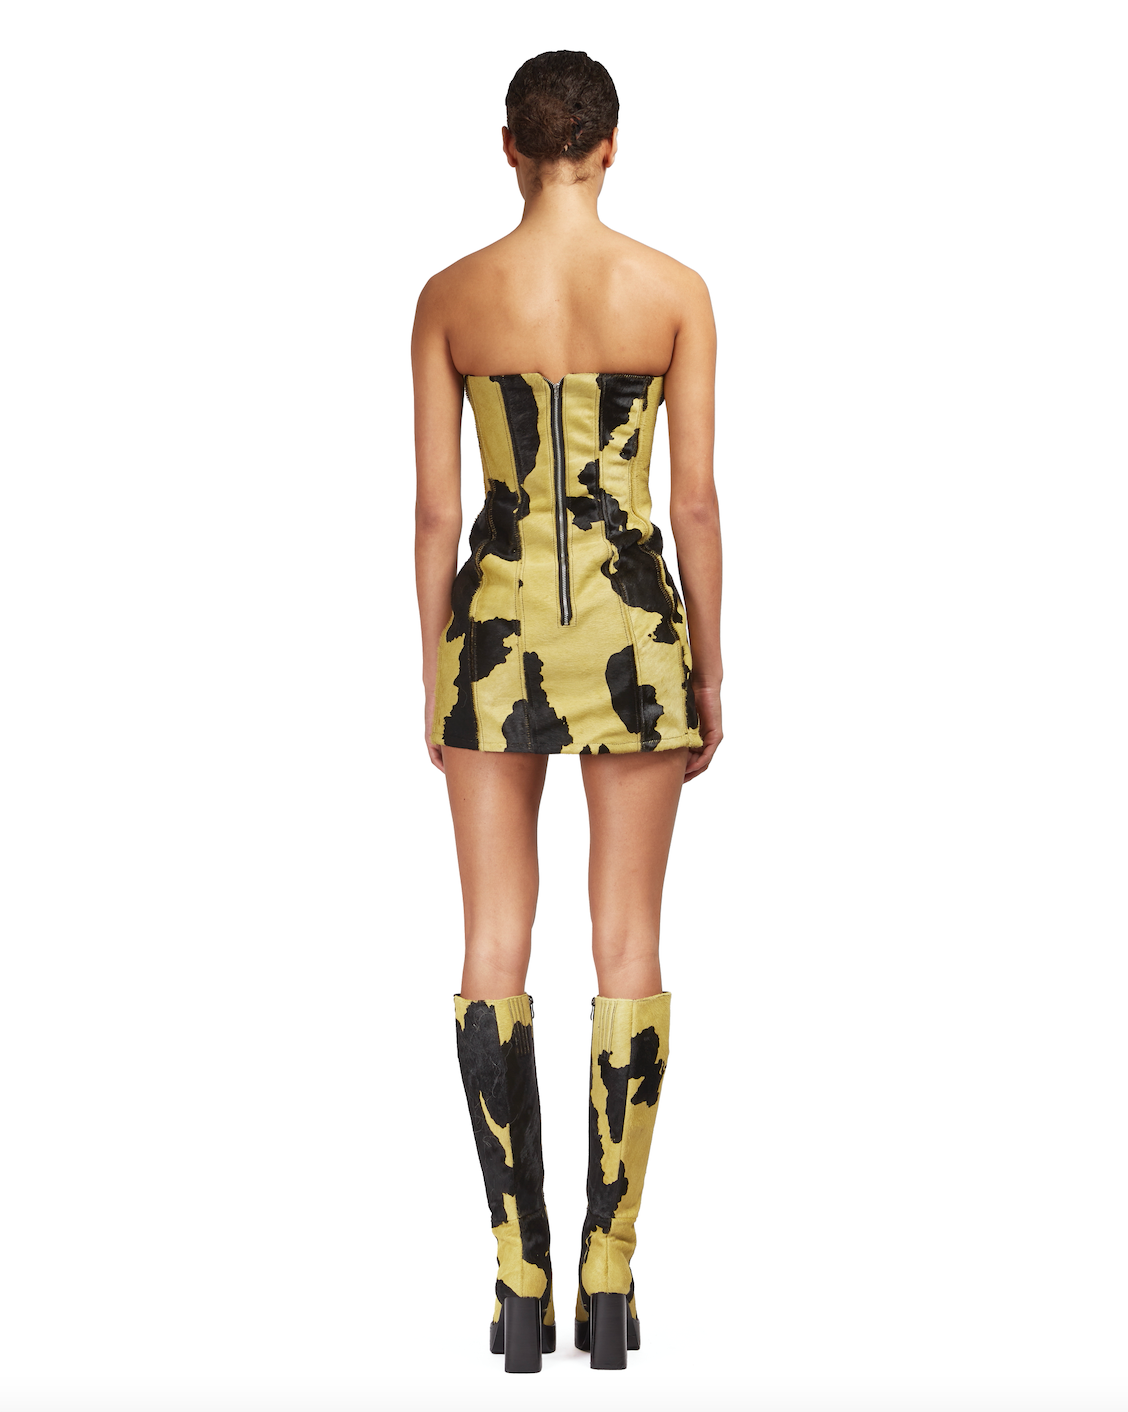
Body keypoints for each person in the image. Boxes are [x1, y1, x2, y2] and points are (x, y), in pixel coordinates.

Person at [411, 50, 722, 1373]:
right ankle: (610, 1273)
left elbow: (436, 513)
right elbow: (692, 501)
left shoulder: (451, 297)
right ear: (608, 146)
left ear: (510, 147)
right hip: (635, 632)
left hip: (492, 636)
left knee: (495, 937)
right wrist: (711, 669)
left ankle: (517, 1276)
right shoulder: (673, 292)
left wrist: (435, 671)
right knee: (626, 937)